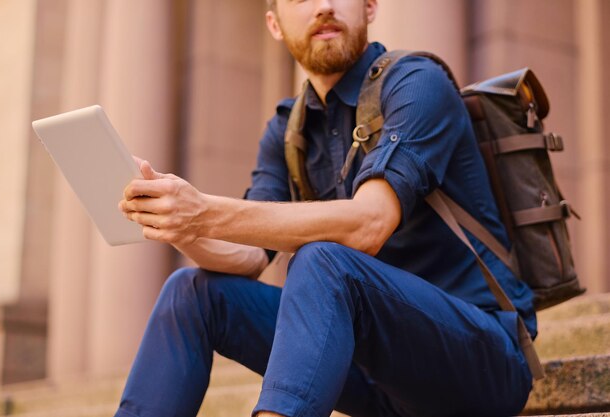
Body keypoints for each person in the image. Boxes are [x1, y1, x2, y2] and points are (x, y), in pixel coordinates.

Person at [114, 0, 537, 416]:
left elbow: (370, 224)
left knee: (322, 260)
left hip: (482, 363)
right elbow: (247, 259)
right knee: (192, 292)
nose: (324, 6)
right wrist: (183, 228)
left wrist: (204, 211)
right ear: (274, 24)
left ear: (370, 6)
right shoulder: (288, 129)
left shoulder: (417, 82)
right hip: (375, 375)